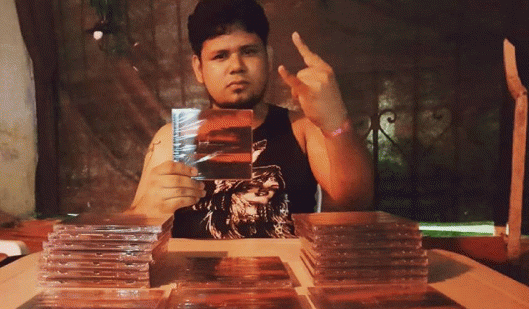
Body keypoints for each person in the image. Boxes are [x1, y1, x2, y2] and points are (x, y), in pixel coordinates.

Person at [128, 0, 373, 238]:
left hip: (290, 267)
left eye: (248, 51)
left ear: (268, 58)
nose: (236, 66)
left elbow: (354, 205)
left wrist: (336, 124)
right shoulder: (173, 137)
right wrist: (146, 211)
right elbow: (132, 228)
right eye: (220, 56)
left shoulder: (302, 128)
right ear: (198, 68)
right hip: (196, 267)